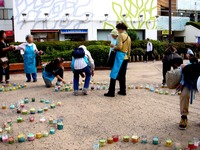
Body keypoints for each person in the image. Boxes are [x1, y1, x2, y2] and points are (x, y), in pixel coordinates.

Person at [104, 22, 131, 97]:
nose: (117, 30)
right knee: (122, 75)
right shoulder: (128, 37)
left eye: (118, 29)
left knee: (113, 74)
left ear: (120, 29)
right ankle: (123, 91)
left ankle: (111, 92)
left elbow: (119, 47)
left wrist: (113, 47)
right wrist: (128, 57)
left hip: (119, 57)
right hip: (125, 57)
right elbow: (129, 49)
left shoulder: (120, 36)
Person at [178, 58, 200, 130]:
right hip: (189, 82)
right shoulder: (188, 67)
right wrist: (181, 81)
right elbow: (183, 67)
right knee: (184, 95)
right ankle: (184, 117)